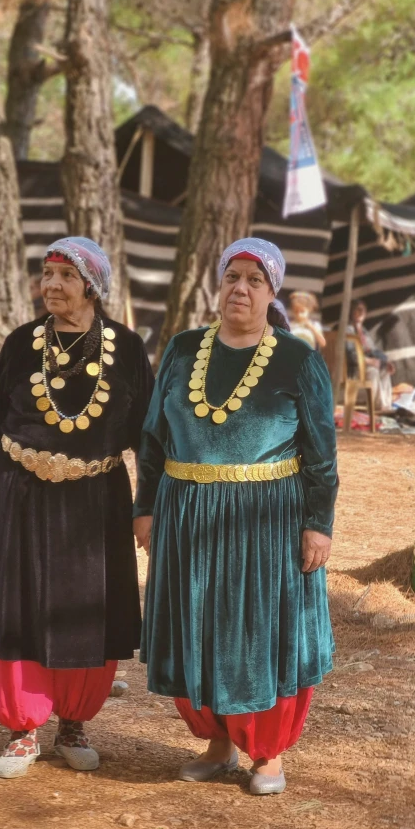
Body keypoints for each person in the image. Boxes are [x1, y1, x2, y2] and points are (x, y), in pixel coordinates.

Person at [133, 237, 338, 796]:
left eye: (254, 280)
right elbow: (154, 437)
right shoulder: (182, 348)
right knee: (198, 625)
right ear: (217, 285)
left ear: (271, 292)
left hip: (264, 521)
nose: (240, 289)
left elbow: (321, 453)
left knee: (255, 631)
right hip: (187, 514)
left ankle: (267, 753)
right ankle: (216, 742)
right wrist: (145, 506)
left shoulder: (298, 358)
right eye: (231, 277)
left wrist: (319, 522)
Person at [0, 237, 154, 779]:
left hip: (95, 503)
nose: (51, 286)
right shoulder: (21, 344)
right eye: (47, 274)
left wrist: (149, 508)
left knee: (87, 609)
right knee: (19, 605)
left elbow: (149, 438)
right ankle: (23, 729)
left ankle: (74, 721)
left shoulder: (128, 347)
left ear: (92, 287)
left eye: (65, 276)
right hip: (18, 495)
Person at [347, 299, 395, 410]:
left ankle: (386, 406)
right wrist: (369, 361)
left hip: (366, 366)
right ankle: (377, 407)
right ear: (351, 312)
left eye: (364, 310)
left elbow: (373, 351)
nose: (361, 312)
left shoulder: (363, 331)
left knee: (385, 370)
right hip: (354, 368)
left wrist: (385, 362)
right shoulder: (347, 330)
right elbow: (350, 355)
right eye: (358, 309)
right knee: (373, 371)